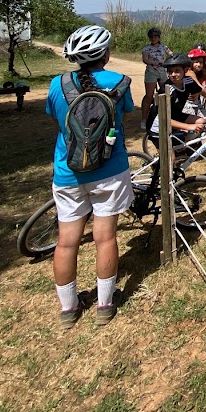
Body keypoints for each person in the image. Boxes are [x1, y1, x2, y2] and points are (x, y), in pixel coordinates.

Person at [46, 25, 134, 328]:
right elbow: (124, 116)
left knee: (66, 242)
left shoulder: (57, 84)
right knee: (105, 236)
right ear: (105, 54)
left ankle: (68, 310)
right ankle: (105, 305)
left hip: (67, 171)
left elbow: (57, 120)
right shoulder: (120, 82)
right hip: (110, 169)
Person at [147, 53, 206, 150]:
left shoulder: (188, 81)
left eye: (177, 71)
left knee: (204, 121)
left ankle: (184, 146)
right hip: (159, 125)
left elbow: (203, 92)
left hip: (176, 115)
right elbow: (164, 119)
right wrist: (188, 126)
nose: (173, 74)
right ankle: (176, 150)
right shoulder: (166, 90)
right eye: (170, 72)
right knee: (170, 157)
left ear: (185, 70)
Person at [140, 27, 171, 129]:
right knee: (149, 95)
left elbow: (171, 54)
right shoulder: (146, 48)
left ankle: (165, 117)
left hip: (162, 71)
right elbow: (145, 59)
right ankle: (144, 119)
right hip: (151, 71)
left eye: (155, 37)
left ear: (159, 37)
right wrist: (154, 62)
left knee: (165, 94)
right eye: (151, 37)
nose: (153, 39)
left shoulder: (164, 47)